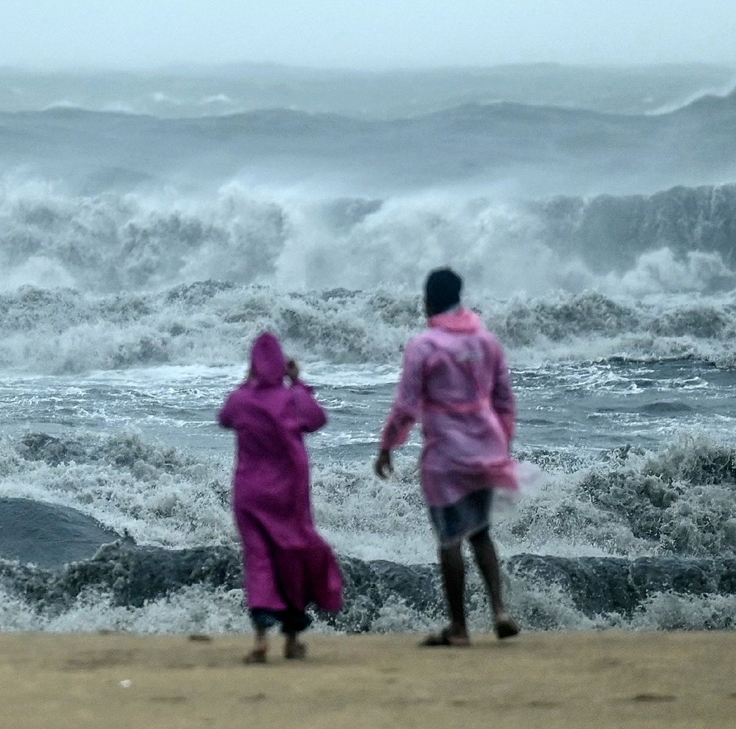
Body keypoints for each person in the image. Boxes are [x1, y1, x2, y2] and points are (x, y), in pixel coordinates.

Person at [375, 267, 521, 647]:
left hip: (445, 456)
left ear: (428, 301)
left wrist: (388, 445)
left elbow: (406, 406)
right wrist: (501, 446)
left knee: (450, 539)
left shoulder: (424, 346)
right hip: (486, 448)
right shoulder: (486, 342)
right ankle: (500, 611)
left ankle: (459, 629)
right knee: (482, 533)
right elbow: (504, 400)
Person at [219, 332, 344, 663]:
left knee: (258, 559)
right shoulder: (292, 399)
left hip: (249, 494)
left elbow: (224, 418)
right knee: (291, 559)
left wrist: (249, 383)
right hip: (288, 495)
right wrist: (297, 381)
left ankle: (261, 636)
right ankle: (291, 639)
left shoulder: (241, 399)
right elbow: (317, 419)